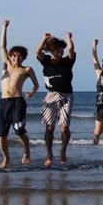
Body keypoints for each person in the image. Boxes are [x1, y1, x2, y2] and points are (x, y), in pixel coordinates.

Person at [0, 19, 39, 170]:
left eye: (19, 56)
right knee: (2, 134)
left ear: (23, 58)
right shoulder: (7, 65)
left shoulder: (26, 70)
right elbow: (2, 46)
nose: (16, 58)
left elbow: (36, 84)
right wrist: (4, 28)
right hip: (3, 102)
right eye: (14, 56)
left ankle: (27, 151)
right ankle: (5, 158)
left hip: (17, 102)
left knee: (19, 130)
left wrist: (32, 92)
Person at [36, 31, 75, 167]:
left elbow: (71, 49)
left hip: (66, 95)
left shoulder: (67, 62)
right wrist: (44, 39)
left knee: (64, 128)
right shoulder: (47, 62)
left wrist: (69, 39)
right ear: (52, 51)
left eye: (61, 51)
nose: (60, 54)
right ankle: (49, 154)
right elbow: (38, 51)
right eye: (57, 52)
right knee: (50, 128)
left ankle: (63, 152)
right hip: (51, 95)